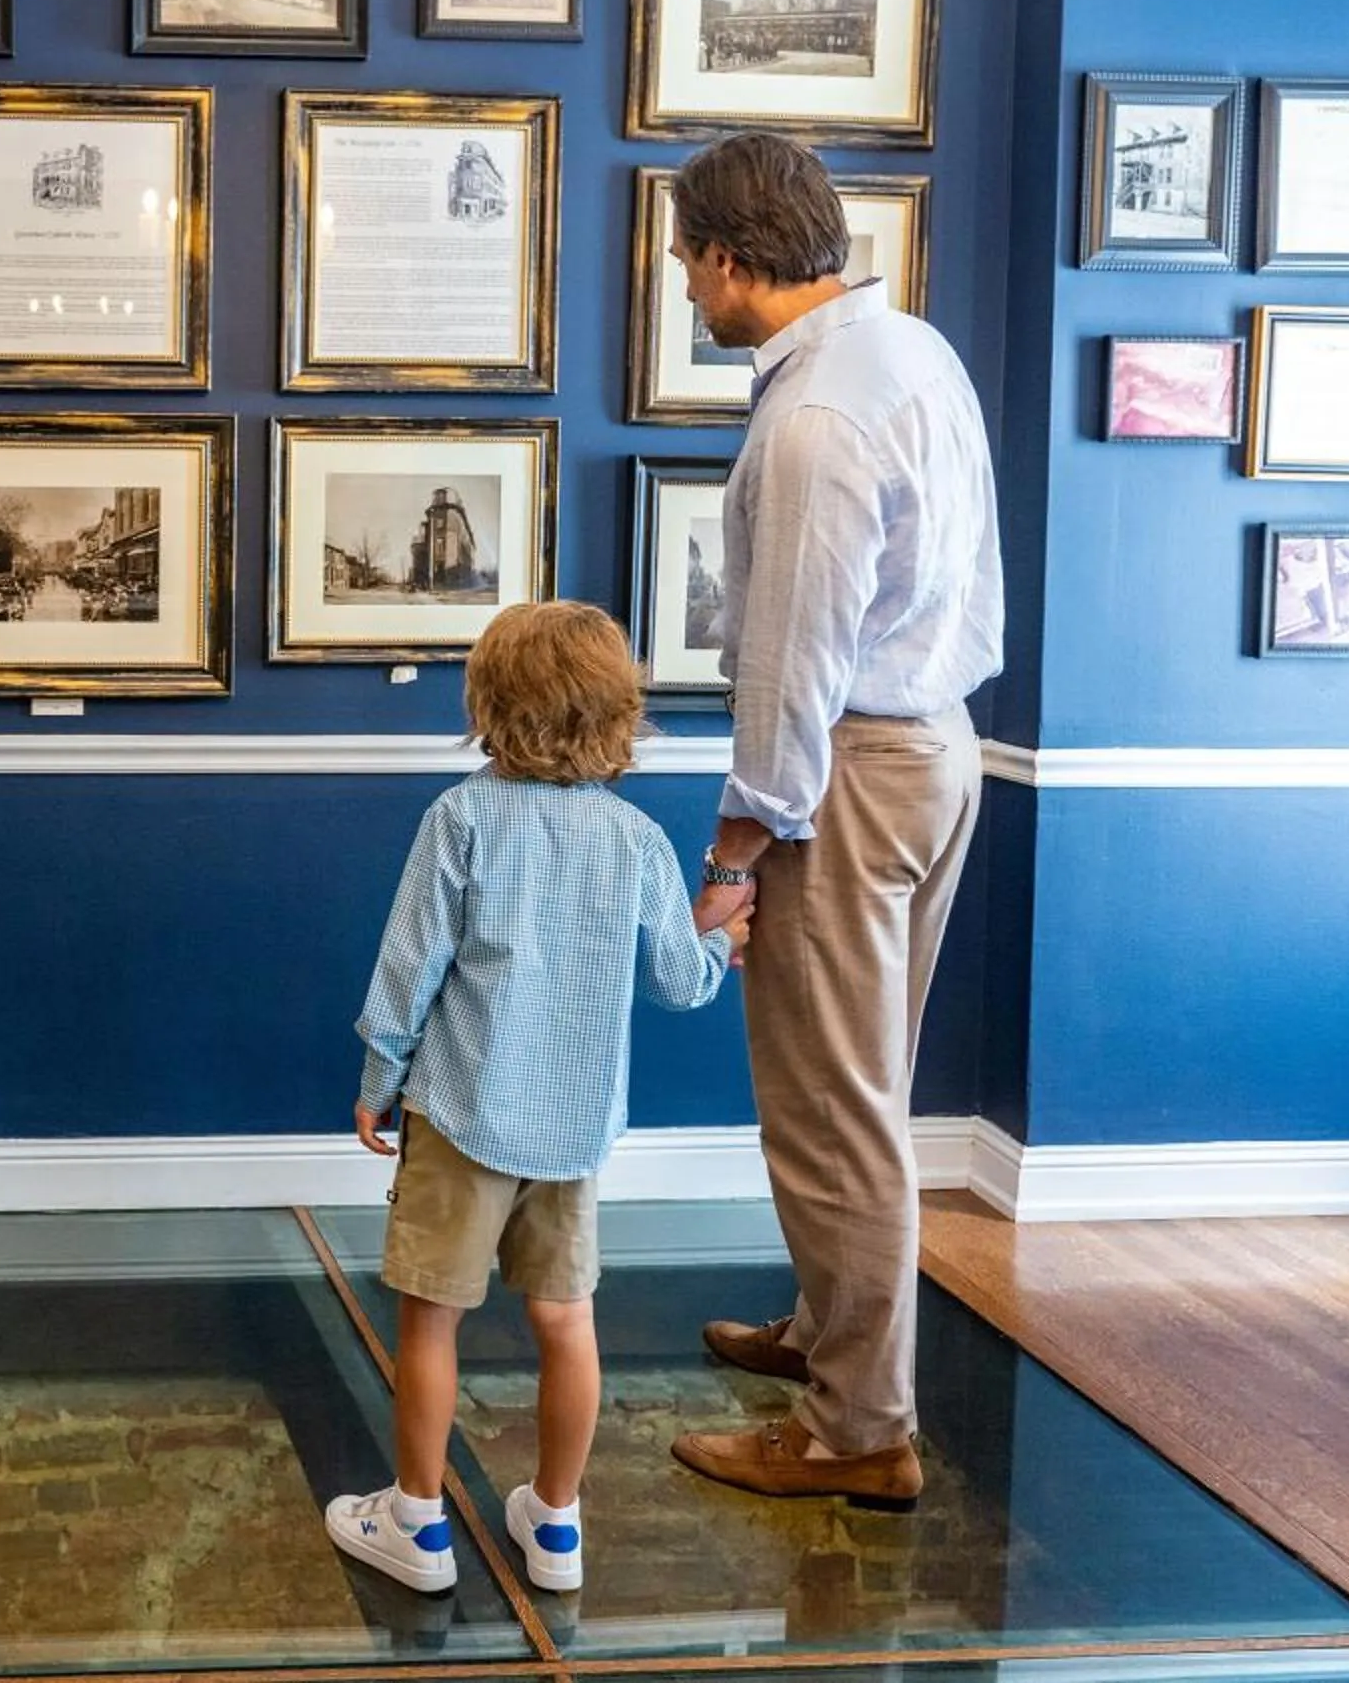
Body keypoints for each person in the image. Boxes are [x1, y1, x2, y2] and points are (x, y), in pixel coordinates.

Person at [664, 132, 1003, 1509]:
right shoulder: (910, 349)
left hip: (849, 776)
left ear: (736, 263)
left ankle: (857, 1427)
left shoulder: (812, 419)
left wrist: (739, 848)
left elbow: (792, 663)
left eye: (689, 258)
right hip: (935, 754)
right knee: (860, 1085)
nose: (686, 282)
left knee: (829, 1108)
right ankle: (828, 1329)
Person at [327, 601, 743, 1597]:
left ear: (489, 704)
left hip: (462, 1116)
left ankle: (419, 1524)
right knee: (568, 1323)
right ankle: (556, 1525)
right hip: (571, 1134)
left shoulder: (461, 819)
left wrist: (378, 1083)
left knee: (430, 1322)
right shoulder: (637, 839)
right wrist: (724, 933)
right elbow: (683, 980)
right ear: (618, 713)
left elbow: (407, 972)